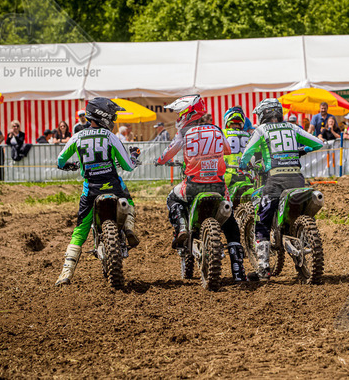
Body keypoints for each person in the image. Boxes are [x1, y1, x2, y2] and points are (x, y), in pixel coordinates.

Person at [156, 95, 246, 283]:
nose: (178, 117)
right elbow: (227, 150)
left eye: (180, 113)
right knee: (230, 223)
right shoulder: (216, 129)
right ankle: (238, 271)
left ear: (187, 113)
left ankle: (182, 227)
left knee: (172, 198)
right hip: (218, 186)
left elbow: (166, 155)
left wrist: (160, 161)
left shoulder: (184, 133)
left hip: (193, 187)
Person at [55, 98, 139, 286]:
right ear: (104, 117)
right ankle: (128, 228)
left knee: (80, 230)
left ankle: (65, 273)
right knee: (129, 203)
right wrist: (133, 157)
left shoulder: (77, 136)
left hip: (91, 189)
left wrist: (70, 165)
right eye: (113, 116)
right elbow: (127, 166)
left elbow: (60, 160)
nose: (114, 120)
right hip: (113, 186)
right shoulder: (110, 136)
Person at [238, 98, 324, 282]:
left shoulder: (261, 130)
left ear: (263, 114)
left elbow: (247, 154)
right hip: (297, 179)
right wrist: (301, 150)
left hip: (275, 181)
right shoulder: (292, 127)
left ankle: (263, 269)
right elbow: (318, 143)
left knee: (262, 222)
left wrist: (242, 165)